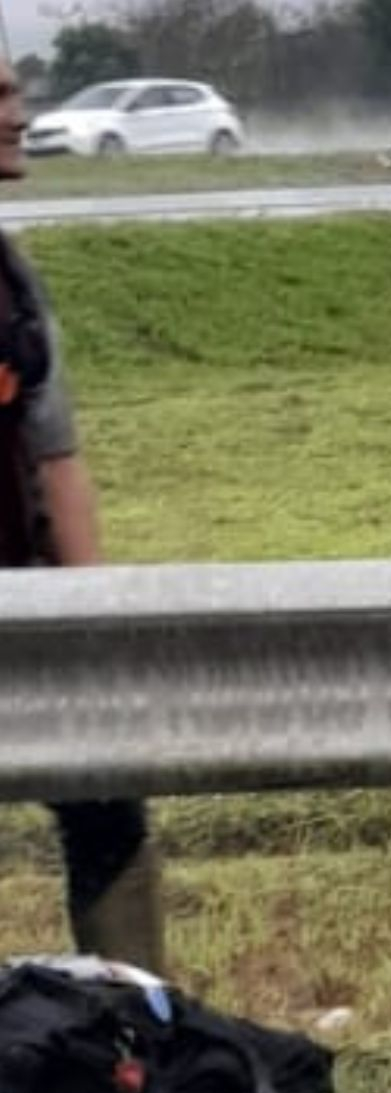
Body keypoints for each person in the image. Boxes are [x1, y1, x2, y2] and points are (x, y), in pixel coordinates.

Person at [1, 55, 167, 974]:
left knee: (108, 804)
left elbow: (59, 461)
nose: (19, 114)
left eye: (16, 92)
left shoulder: (14, 282)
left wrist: (93, 628)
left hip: (24, 615)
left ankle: (135, 1045)